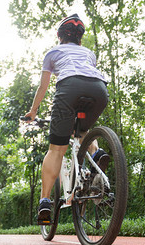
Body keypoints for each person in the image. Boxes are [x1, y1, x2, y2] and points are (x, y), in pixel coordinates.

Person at [24, 14, 109, 223]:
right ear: (80, 38)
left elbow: (43, 86)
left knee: (56, 149)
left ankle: (45, 202)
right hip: (99, 90)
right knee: (82, 131)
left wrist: (32, 112)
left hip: (69, 87)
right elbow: (88, 75)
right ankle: (96, 152)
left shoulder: (53, 52)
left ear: (60, 36)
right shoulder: (89, 53)